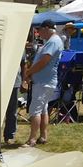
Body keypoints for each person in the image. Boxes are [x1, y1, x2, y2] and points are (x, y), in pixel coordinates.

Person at [22, 19, 63, 147]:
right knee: (43, 109)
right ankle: (43, 136)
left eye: (40, 30)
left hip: (43, 82)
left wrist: (29, 72)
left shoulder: (53, 42)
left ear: (46, 28)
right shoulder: (53, 41)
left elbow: (44, 61)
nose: (39, 33)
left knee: (35, 110)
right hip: (45, 81)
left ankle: (32, 140)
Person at [3, 41, 27, 146]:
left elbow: (24, 64)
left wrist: (24, 81)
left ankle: (9, 136)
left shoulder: (19, 44)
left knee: (12, 111)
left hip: (14, 83)